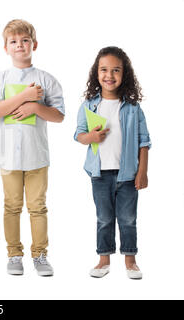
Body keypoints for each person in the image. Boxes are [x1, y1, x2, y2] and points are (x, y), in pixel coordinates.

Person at [0, 19, 65, 276]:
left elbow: (59, 115)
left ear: (35, 44)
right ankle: (14, 254)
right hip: (7, 155)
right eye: (13, 41)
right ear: (5, 47)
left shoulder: (47, 79)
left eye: (25, 40)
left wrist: (34, 107)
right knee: (11, 206)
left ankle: (40, 255)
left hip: (36, 156)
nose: (19, 45)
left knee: (38, 206)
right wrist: (23, 97)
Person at [74, 46, 151, 280]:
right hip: (99, 174)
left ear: (124, 74)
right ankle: (103, 259)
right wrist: (92, 137)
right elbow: (79, 134)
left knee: (128, 219)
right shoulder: (89, 105)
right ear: (96, 73)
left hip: (128, 174)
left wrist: (143, 171)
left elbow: (144, 141)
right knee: (104, 218)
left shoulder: (132, 107)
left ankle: (130, 260)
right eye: (104, 70)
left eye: (116, 70)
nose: (109, 75)